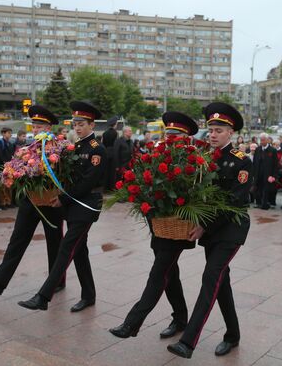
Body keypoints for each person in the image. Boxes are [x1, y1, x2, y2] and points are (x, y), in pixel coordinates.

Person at [167, 102, 252, 359]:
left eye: (219, 130)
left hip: (230, 230)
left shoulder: (242, 162)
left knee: (210, 277)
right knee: (220, 282)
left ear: (231, 133)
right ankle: (233, 334)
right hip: (212, 231)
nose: (213, 135)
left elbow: (233, 202)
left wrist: (203, 224)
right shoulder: (203, 158)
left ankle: (188, 341)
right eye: (211, 130)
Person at [109, 111, 199, 339]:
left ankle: (132, 323)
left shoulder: (194, 161)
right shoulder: (157, 156)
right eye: (168, 134)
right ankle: (180, 319)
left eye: (175, 135)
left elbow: (197, 196)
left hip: (178, 228)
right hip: (159, 226)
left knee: (158, 274)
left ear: (185, 138)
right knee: (171, 274)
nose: (169, 139)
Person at [18, 101, 106, 312]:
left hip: (87, 207)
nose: (77, 127)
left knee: (66, 248)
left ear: (91, 125)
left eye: (82, 124)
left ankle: (43, 296)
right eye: (75, 123)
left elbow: (87, 183)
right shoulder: (75, 147)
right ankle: (89, 295)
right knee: (80, 252)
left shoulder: (97, 149)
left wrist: (63, 198)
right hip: (74, 206)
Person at [0, 105, 65, 297]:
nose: (35, 128)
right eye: (34, 124)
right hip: (29, 200)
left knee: (55, 243)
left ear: (49, 128)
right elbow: (19, 169)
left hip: (50, 201)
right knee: (17, 240)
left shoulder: (57, 147)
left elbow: (63, 173)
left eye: (40, 125)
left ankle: (56, 281)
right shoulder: (27, 148)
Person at [253, 133, 278, 210]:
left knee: (266, 189)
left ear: (267, 140)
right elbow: (254, 162)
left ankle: (265, 204)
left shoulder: (273, 150)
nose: (261, 142)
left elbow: (275, 164)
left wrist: (273, 175)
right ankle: (258, 203)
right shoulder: (258, 149)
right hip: (258, 173)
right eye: (261, 140)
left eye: (263, 140)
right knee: (258, 188)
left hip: (268, 174)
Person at [0, 127, 15, 209]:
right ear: (3, 133)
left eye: (10, 133)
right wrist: (4, 164)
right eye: (8, 133)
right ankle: (2, 202)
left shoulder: (10, 143)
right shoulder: (0, 143)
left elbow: (12, 155)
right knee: (2, 186)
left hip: (9, 167)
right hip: (2, 167)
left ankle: (9, 201)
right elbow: (0, 155)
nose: (10, 134)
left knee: (9, 184)